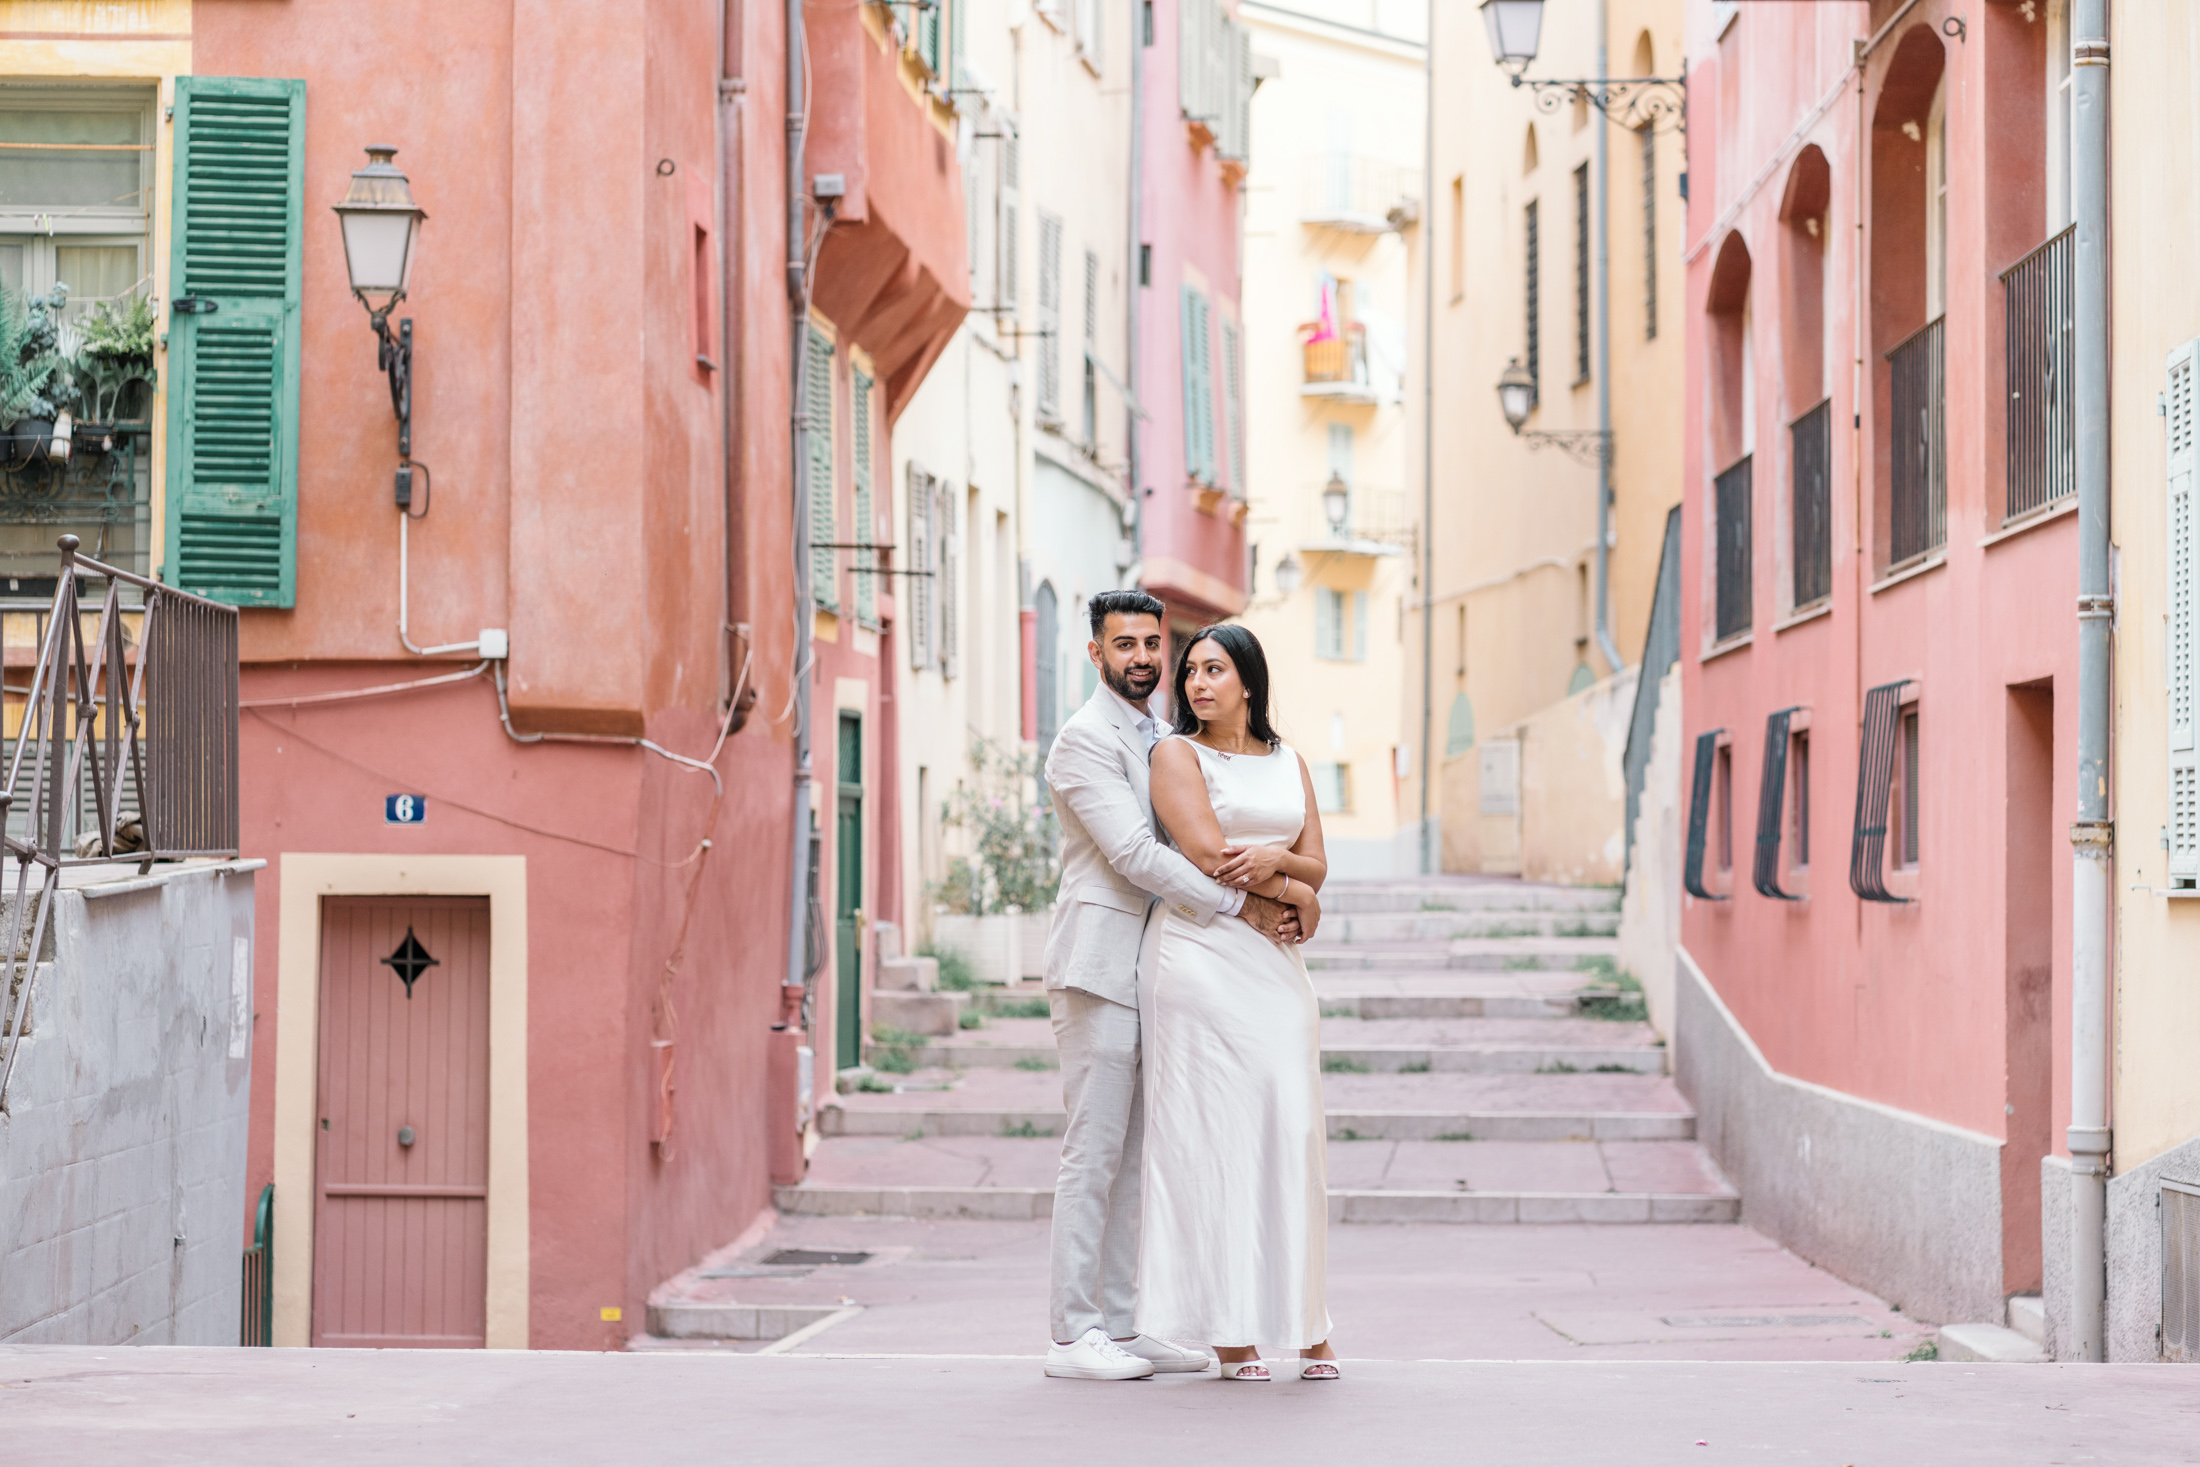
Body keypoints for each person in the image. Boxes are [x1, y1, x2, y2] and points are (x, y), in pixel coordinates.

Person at [1041, 591, 1303, 1381]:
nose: (1144, 658)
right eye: (1124, 645)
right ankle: (1071, 1332)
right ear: (1096, 655)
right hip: (1098, 963)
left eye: (1152, 643)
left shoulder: (1162, 735)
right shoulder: (1082, 741)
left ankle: (1120, 1322)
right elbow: (1134, 853)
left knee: (1136, 1151)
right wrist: (1243, 903)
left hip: (1161, 967)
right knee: (1092, 1153)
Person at [1135, 622, 1336, 1382]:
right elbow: (1207, 854)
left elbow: (1318, 861)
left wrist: (1289, 871)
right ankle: (1230, 1332)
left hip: (1276, 969)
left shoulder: (1291, 760)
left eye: (1214, 670)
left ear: (1248, 681)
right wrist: (1293, 894)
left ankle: (1307, 1323)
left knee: (1291, 1130)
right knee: (1216, 1137)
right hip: (1199, 959)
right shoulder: (1174, 753)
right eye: (1190, 672)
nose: (1196, 683)